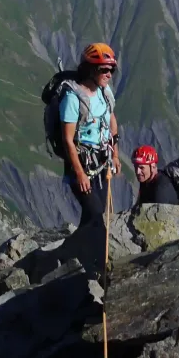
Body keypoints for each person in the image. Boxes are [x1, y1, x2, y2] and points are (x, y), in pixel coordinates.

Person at [60, 43, 121, 255]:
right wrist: (79, 174)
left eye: (111, 69)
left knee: (92, 216)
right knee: (97, 215)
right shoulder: (72, 97)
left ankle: (73, 256)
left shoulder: (105, 92)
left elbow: (112, 121)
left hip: (102, 164)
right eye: (104, 69)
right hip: (82, 168)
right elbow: (68, 140)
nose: (109, 74)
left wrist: (115, 153)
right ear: (91, 68)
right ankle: (91, 262)